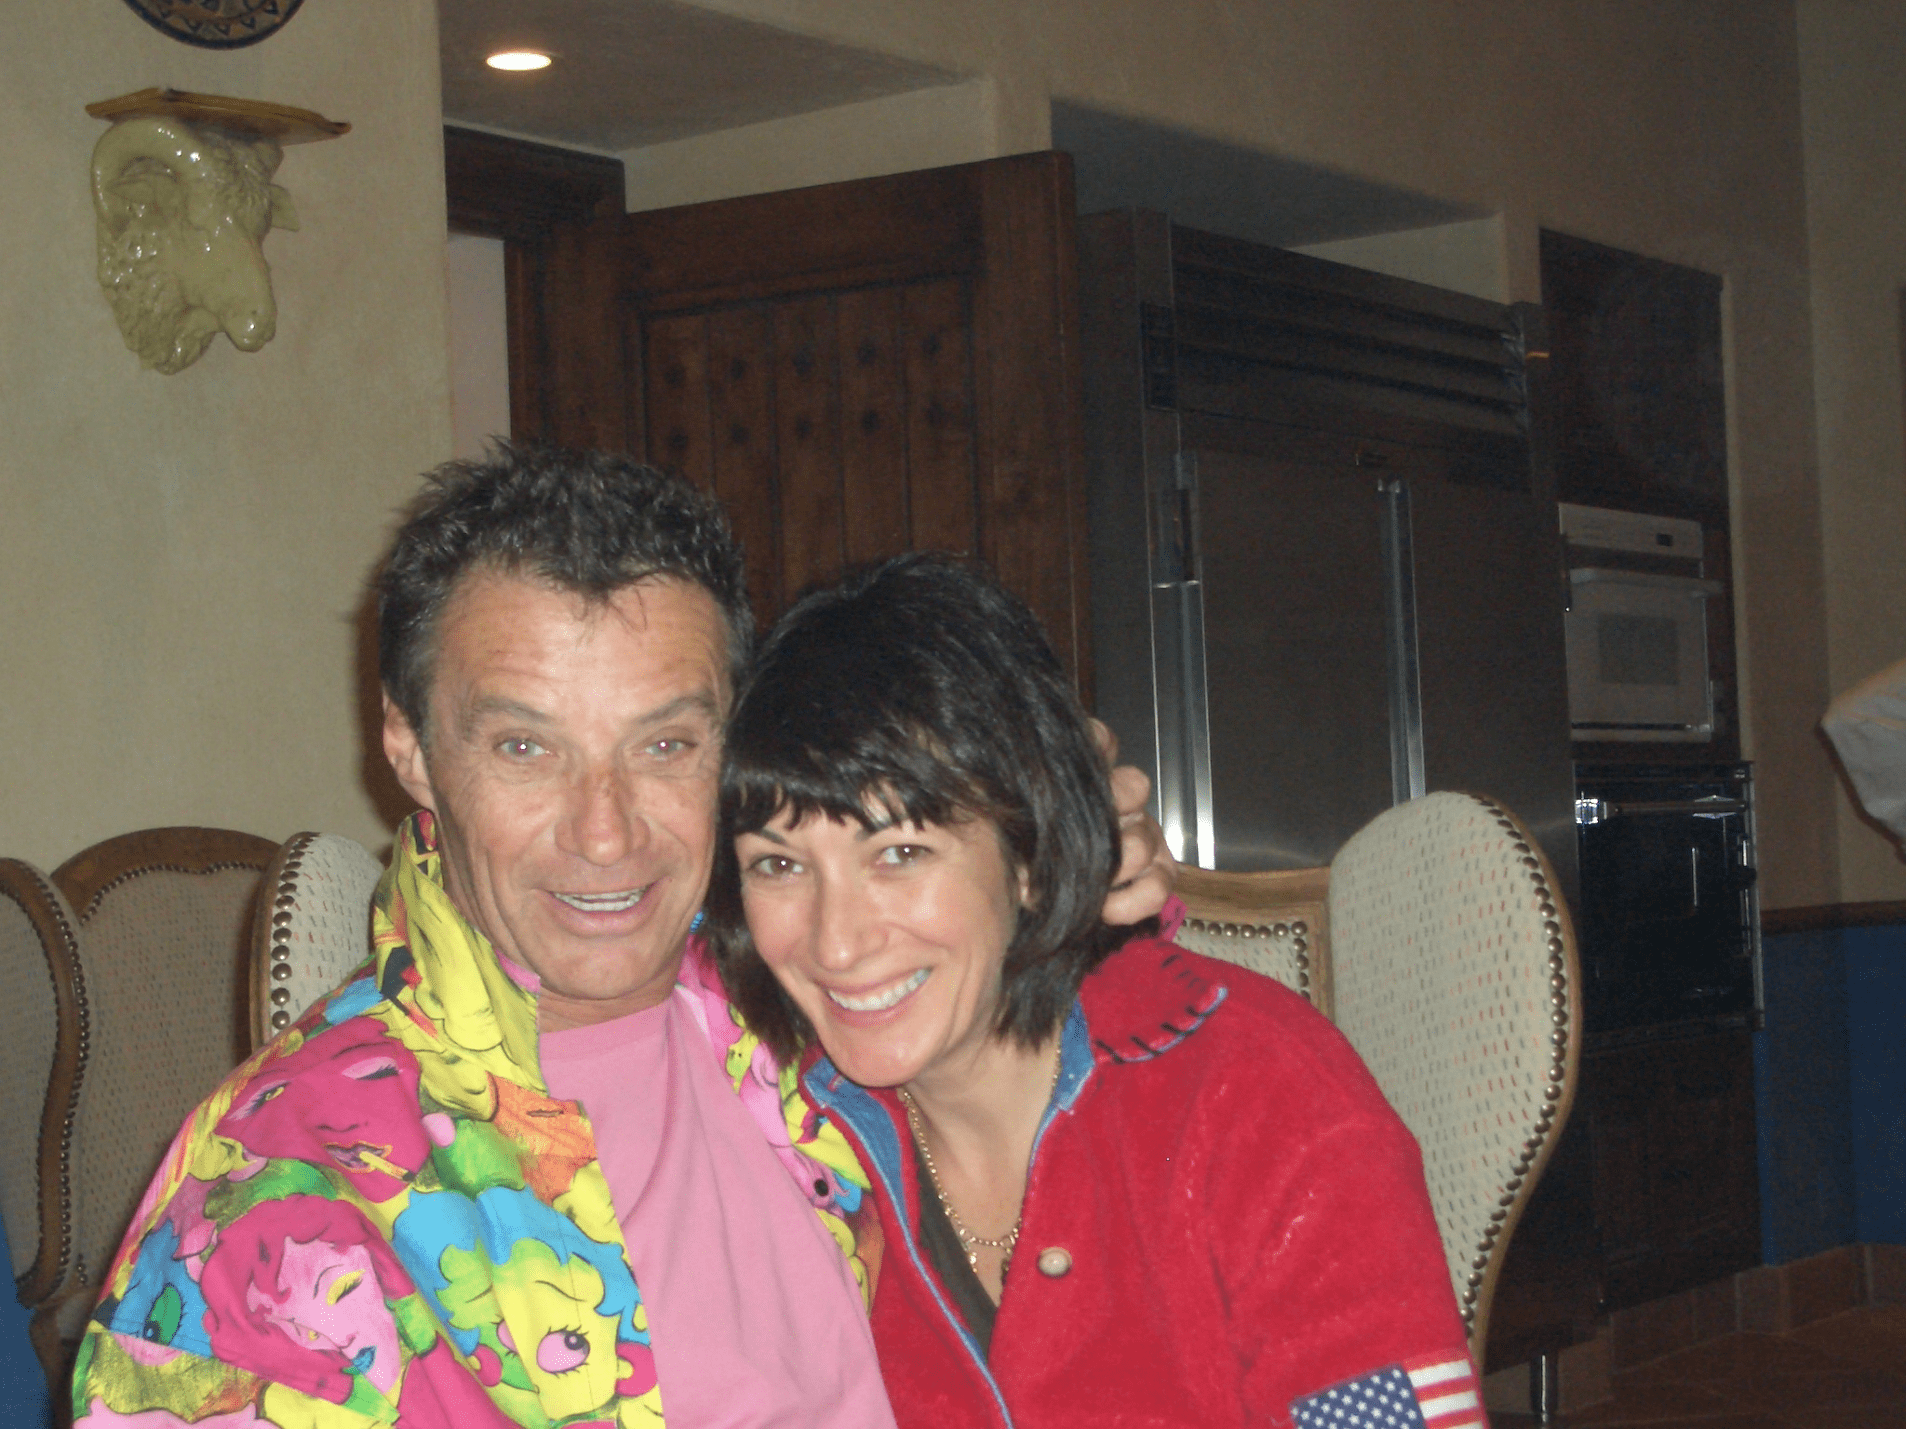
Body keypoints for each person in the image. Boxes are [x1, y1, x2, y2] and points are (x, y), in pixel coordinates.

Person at [71, 444, 1172, 1429]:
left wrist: (1067, 874)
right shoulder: (279, 1192)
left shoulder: (831, 988)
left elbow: (1124, 1101)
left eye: (665, 746)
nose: (605, 834)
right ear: (408, 746)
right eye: (524, 748)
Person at [706, 553, 1482, 1429]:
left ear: (1030, 856)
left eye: (901, 853)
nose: (836, 941)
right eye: (778, 864)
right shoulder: (788, 1127)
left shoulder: (1264, 1096)